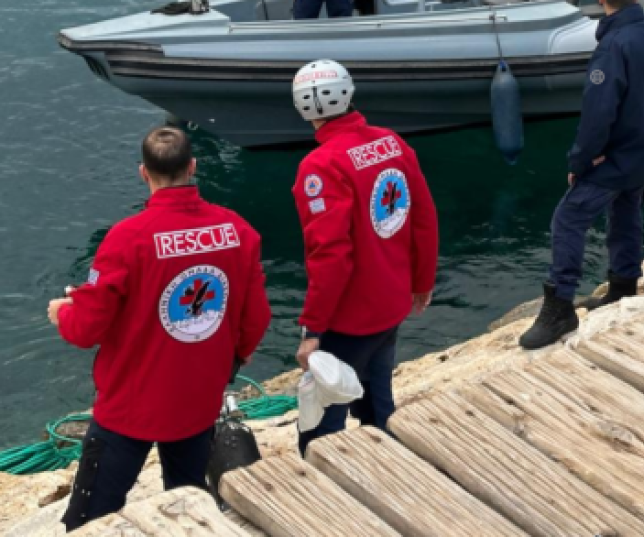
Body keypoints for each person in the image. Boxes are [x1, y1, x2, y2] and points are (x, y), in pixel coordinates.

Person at [49, 128, 271, 532]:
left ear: (143, 173)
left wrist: (63, 313)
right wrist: (234, 358)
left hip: (129, 407)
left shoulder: (126, 239)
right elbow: (256, 317)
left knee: (89, 518)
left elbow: (84, 330)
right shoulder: (237, 231)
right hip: (197, 403)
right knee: (188, 507)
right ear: (193, 167)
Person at [519, 0, 644, 350]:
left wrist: (581, 162)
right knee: (626, 212)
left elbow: (598, 114)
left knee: (568, 218)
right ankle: (623, 286)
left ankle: (559, 307)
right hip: (642, 152)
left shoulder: (612, 47)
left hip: (614, 159)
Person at [290, 59, 439, 455]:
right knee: (377, 397)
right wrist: (422, 281)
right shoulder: (391, 143)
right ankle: (389, 457)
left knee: (322, 424)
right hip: (392, 301)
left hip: (349, 317)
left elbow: (331, 255)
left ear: (301, 107)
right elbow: (423, 218)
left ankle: (325, 483)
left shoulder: (319, 166)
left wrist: (312, 329)